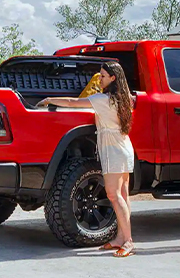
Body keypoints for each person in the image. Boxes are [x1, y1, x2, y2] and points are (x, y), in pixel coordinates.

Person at [36, 62, 136, 258]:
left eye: (103, 76)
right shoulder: (124, 99)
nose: (99, 79)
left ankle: (128, 241)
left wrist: (49, 99)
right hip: (124, 147)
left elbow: (73, 103)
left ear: (113, 78)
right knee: (123, 195)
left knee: (114, 195)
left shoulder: (102, 99)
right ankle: (120, 237)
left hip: (113, 150)